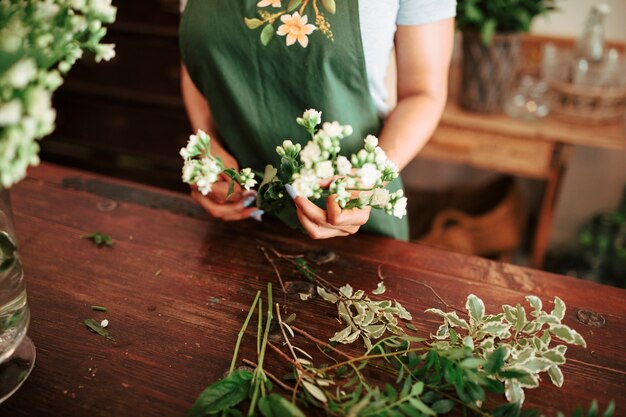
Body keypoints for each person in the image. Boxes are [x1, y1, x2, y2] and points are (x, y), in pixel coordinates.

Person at [179, 0, 455, 240]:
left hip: (351, 215)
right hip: (235, 213)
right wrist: (208, 147)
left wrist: (370, 177)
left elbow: (422, 93)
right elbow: (197, 62)